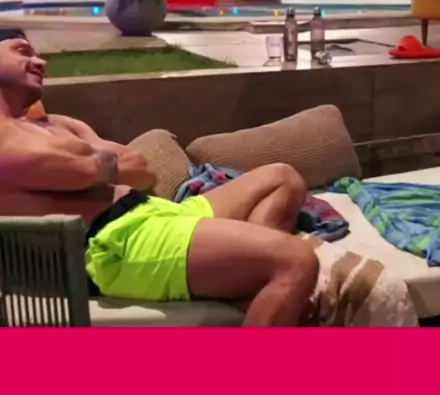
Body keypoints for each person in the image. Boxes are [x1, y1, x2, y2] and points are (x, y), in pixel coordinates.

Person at [0, 30, 318, 326]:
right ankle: (254, 275)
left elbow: (142, 170)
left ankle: (243, 279)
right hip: (118, 241)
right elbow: (81, 169)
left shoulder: (58, 125)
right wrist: (95, 163)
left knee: (282, 178)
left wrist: (92, 165)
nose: (41, 62)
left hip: (152, 211)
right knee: (296, 261)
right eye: (22, 52)